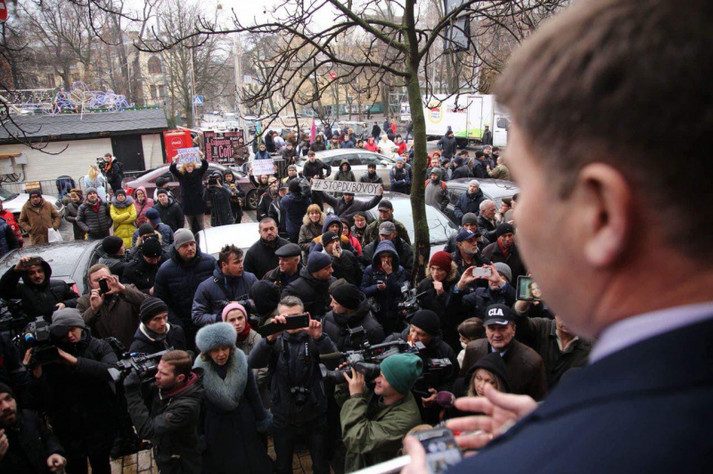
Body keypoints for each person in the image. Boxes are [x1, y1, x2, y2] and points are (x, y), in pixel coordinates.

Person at [248, 297, 337, 474]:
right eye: (286, 318)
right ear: (278, 318)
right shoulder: (275, 340)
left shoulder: (313, 337)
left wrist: (320, 338)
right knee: (283, 465)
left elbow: (334, 363)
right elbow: (253, 362)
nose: (291, 322)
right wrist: (269, 338)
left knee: (320, 463)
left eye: (296, 316)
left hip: (314, 411)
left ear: (305, 315)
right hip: (283, 413)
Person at [35, 309, 118, 474]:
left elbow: (113, 372)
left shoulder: (97, 346)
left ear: (81, 326)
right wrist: (35, 374)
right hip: (68, 426)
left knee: (101, 464)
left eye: (73, 329)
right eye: (64, 331)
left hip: (98, 419)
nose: (70, 335)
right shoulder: (49, 354)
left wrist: (74, 362)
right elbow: (42, 395)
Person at [194, 323, 273, 473]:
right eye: (215, 350)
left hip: (243, 421)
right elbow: (199, 406)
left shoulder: (241, 361)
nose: (221, 354)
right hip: (216, 427)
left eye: (224, 348)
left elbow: (252, 392)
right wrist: (199, 434)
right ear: (207, 352)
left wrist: (261, 418)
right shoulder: (199, 371)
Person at [340, 353, 423, 472]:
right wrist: (345, 384)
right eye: (379, 374)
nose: (376, 380)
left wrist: (356, 396)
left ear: (397, 385)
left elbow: (357, 439)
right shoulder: (380, 394)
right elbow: (348, 411)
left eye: (383, 377)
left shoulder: (404, 420)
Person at [123, 350, 203, 474]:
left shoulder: (187, 406)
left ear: (180, 378)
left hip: (180, 463)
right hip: (165, 449)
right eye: (158, 370)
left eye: (163, 373)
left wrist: (132, 392)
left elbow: (147, 430)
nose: (157, 376)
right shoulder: (168, 385)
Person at [460, 304, 546, 401]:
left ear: (513, 329)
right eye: (492, 328)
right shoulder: (473, 350)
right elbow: (464, 384)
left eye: (502, 328)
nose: (497, 334)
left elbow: (539, 401)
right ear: (485, 329)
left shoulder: (532, 362)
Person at [154, 229, 217, 347]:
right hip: (183, 326)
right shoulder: (165, 271)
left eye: (192, 244)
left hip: (208, 322)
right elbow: (161, 300)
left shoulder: (209, 263)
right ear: (177, 248)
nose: (190, 248)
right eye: (185, 246)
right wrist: (176, 324)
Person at [0, 382, 67, 473]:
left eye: (8, 398)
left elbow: (47, 438)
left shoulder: (28, 417)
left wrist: (54, 453)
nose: (6, 406)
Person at [77, 263, 147, 349]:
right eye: (97, 280)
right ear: (90, 283)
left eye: (106, 278)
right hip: (104, 350)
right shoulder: (84, 301)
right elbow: (79, 326)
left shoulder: (126, 289)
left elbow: (148, 303)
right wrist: (93, 309)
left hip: (132, 346)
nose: (102, 282)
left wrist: (123, 290)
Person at [192, 245, 258, 328]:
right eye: (236, 262)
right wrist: (221, 318)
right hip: (222, 332)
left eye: (241, 261)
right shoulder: (206, 287)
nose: (241, 266)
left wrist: (244, 304)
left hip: (249, 331)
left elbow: (262, 302)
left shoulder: (250, 279)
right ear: (224, 264)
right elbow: (197, 316)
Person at [0, 256, 78, 321]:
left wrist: (65, 304)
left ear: (45, 271)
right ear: (26, 275)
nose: (37, 276)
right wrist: (15, 270)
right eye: (32, 273)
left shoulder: (60, 285)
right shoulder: (21, 290)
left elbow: (78, 300)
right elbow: (4, 290)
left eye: (40, 271)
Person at [360, 240, 406, 335]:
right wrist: (376, 288)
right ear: (378, 257)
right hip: (377, 310)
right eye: (383, 256)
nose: (386, 259)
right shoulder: (370, 270)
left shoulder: (399, 270)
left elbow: (401, 290)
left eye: (389, 256)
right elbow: (363, 291)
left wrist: (390, 274)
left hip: (394, 311)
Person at [322, 283, 385, 351]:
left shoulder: (373, 329)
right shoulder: (328, 318)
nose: (331, 305)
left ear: (347, 306)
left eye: (335, 303)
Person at [416, 251, 460, 346]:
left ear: (448, 270)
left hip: (449, 333)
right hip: (427, 330)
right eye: (433, 268)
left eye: (439, 269)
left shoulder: (455, 284)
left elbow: (453, 311)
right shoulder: (425, 284)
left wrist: (442, 295)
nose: (435, 273)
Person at [282, 252, 336, 319]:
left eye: (331, 266)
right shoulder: (293, 290)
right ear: (315, 271)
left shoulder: (333, 282)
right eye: (326, 268)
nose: (332, 270)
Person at [170, 158, 209, 235]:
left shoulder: (198, 173)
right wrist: (174, 161)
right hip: (187, 204)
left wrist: (202, 157)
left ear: (193, 166)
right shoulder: (181, 175)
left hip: (198, 203)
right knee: (190, 226)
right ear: (185, 167)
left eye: (191, 166)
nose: (189, 168)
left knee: (201, 225)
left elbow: (205, 166)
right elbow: (172, 169)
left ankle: (203, 238)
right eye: (187, 166)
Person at [318, 187, 383, 222]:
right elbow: (326, 197)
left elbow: (369, 204)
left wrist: (378, 196)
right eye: (346, 195)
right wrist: (317, 188)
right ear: (343, 194)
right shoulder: (337, 201)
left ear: (353, 195)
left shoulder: (358, 204)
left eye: (350, 195)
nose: (347, 197)